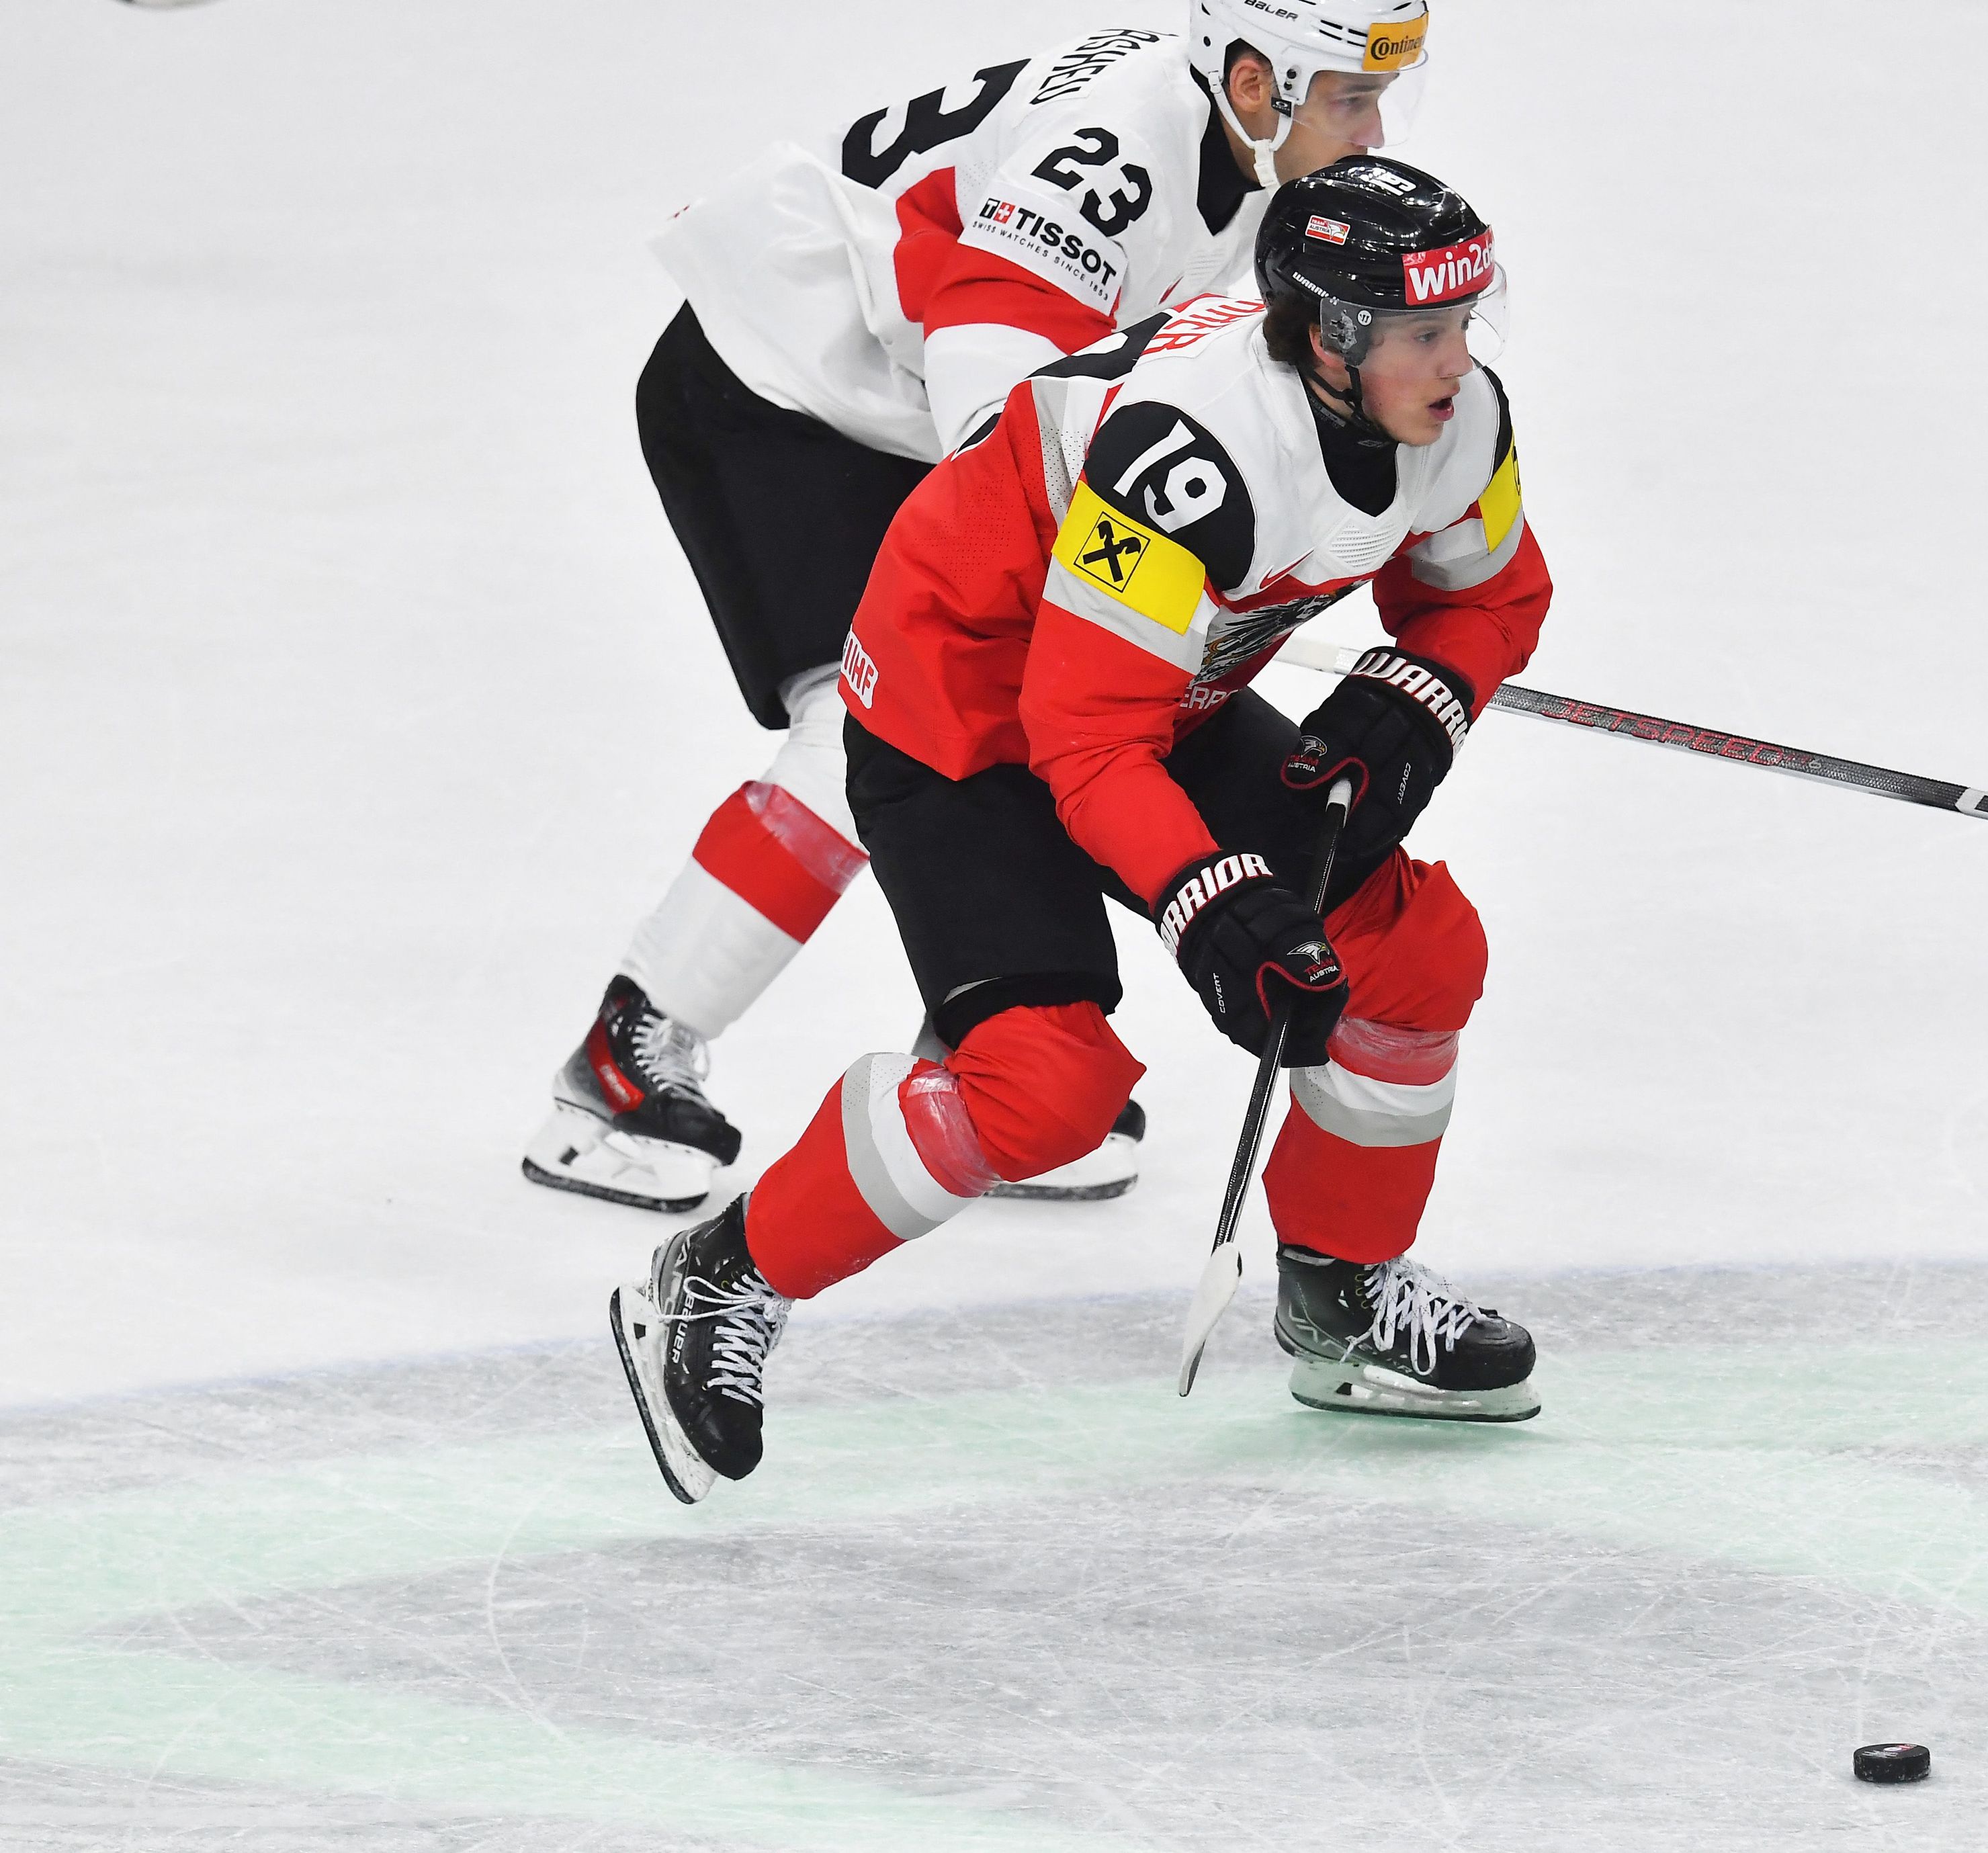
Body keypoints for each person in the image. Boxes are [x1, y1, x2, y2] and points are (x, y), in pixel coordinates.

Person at [611, 157, 1549, 1506]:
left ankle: (1340, 1292)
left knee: (1412, 952)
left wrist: (1423, 687)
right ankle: (721, 1272)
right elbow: (1078, 734)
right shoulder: (1192, 450)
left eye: (1464, 321)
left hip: (1147, 684)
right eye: (1421, 333)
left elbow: (1490, 594)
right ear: (1327, 340)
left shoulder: (1458, 419)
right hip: (956, 709)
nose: (1456, 360)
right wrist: (1212, 901)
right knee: (1042, 1086)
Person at [525, 1, 1435, 1214]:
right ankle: (623, 1061)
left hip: (920, 411)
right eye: (1351, 101)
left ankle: (984, 1033)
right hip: (784, 392)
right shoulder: (1123, 153)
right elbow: (990, 411)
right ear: (1258, 83)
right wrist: (1132, 585)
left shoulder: (1261, 151)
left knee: (1011, 693)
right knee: (879, 718)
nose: (1375, 139)